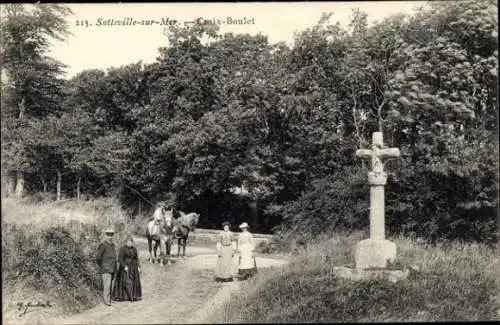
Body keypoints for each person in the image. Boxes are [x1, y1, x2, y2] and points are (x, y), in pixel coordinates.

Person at [113, 235, 142, 302]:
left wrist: (139, 266)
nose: (130, 243)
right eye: (128, 242)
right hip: (125, 268)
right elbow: (120, 259)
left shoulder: (134, 249)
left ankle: (133, 296)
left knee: (134, 282)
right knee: (125, 281)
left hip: (133, 267)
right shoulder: (122, 249)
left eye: (131, 242)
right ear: (126, 242)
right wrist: (124, 266)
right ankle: (123, 296)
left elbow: (136, 258)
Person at [96, 227, 118, 306]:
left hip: (113, 268)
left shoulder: (112, 245)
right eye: (108, 235)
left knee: (111, 285)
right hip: (106, 268)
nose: (110, 236)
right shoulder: (103, 245)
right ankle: (106, 301)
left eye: (112, 235)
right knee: (107, 285)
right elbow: (98, 257)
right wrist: (102, 265)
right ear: (105, 235)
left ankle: (109, 299)